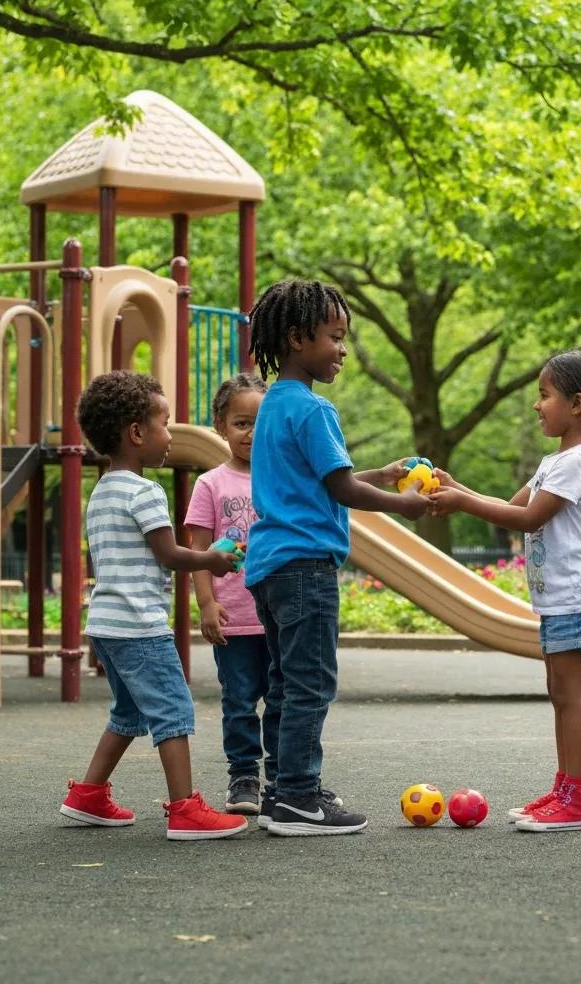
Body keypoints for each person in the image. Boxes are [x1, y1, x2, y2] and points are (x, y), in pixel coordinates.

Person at [245, 279, 430, 836]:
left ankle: (283, 789)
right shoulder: (314, 409)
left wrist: (382, 474)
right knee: (310, 683)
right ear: (298, 338)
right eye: (334, 336)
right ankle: (300, 797)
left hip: (271, 565)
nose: (342, 349)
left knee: (284, 683)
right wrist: (405, 505)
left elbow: (328, 480)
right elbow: (344, 492)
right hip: (306, 566)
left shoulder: (273, 405)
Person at [431, 348, 581, 832]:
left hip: (579, 598)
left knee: (569, 695)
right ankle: (567, 788)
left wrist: (462, 504)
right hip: (564, 598)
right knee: (560, 693)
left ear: (577, 404)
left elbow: (527, 517)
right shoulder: (558, 460)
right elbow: (508, 503)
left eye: (544, 395)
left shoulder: (577, 462)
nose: (537, 405)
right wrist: (461, 492)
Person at [60, 371, 248, 841]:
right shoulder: (145, 492)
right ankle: (185, 809)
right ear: (137, 433)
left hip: (105, 623)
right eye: (165, 423)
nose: (171, 435)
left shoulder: (102, 490)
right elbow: (169, 554)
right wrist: (212, 559)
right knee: (173, 709)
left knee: (128, 714)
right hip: (140, 625)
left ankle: (87, 794)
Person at [185, 374, 276, 816]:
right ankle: (244, 776)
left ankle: (282, 775)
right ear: (220, 425)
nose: (252, 433)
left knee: (281, 696)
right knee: (239, 699)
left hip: (278, 614)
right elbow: (198, 551)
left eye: (261, 422)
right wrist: (206, 603)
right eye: (241, 422)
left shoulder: (283, 479)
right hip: (235, 616)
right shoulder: (211, 484)